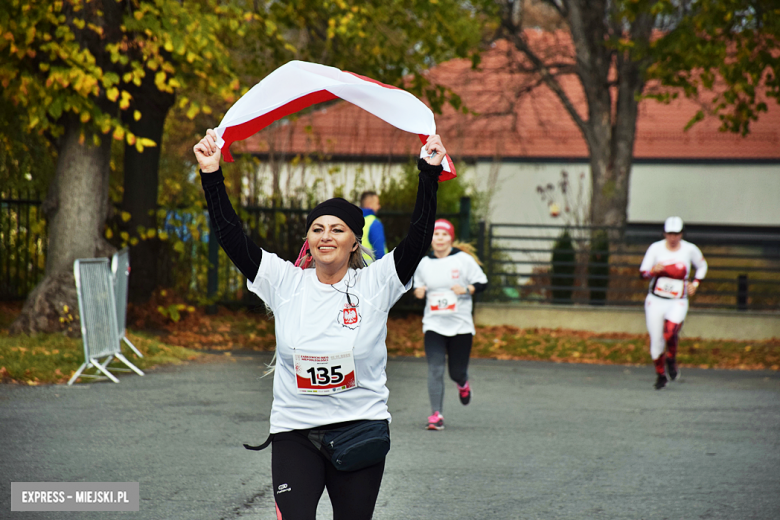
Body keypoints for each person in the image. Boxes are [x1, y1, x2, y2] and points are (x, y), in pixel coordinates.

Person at [193, 128, 447, 520]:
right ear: (308, 239)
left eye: (337, 229)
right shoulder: (285, 282)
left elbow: (418, 238)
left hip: (359, 427)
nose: (326, 236)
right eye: (317, 228)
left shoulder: (375, 283)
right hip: (295, 432)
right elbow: (232, 237)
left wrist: (428, 174)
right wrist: (211, 175)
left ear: (353, 242)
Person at [412, 218, 488, 430]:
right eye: (436, 234)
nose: (439, 238)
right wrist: (418, 292)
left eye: (444, 234)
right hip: (434, 324)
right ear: (431, 238)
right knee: (435, 369)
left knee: (456, 372)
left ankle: (463, 384)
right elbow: (417, 287)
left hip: (460, 326)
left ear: (451, 238)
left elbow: (482, 282)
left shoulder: (463, 260)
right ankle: (436, 414)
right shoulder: (424, 263)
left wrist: (467, 289)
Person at [640, 216, 707, 390]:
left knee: (670, 332)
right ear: (664, 234)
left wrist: (695, 283)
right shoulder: (655, 248)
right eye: (670, 234)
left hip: (678, 300)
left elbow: (702, 266)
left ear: (681, 234)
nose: (673, 238)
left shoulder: (689, 249)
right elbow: (643, 272)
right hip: (656, 300)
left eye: (676, 234)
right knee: (656, 341)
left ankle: (671, 358)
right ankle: (661, 374)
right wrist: (653, 271)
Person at [360, 191, 387, 260]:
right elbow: (380, 254)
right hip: (372, 269)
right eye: (377, 203)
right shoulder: (374, 223)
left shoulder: (352, 221)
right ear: (369, 204)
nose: (379, 206)